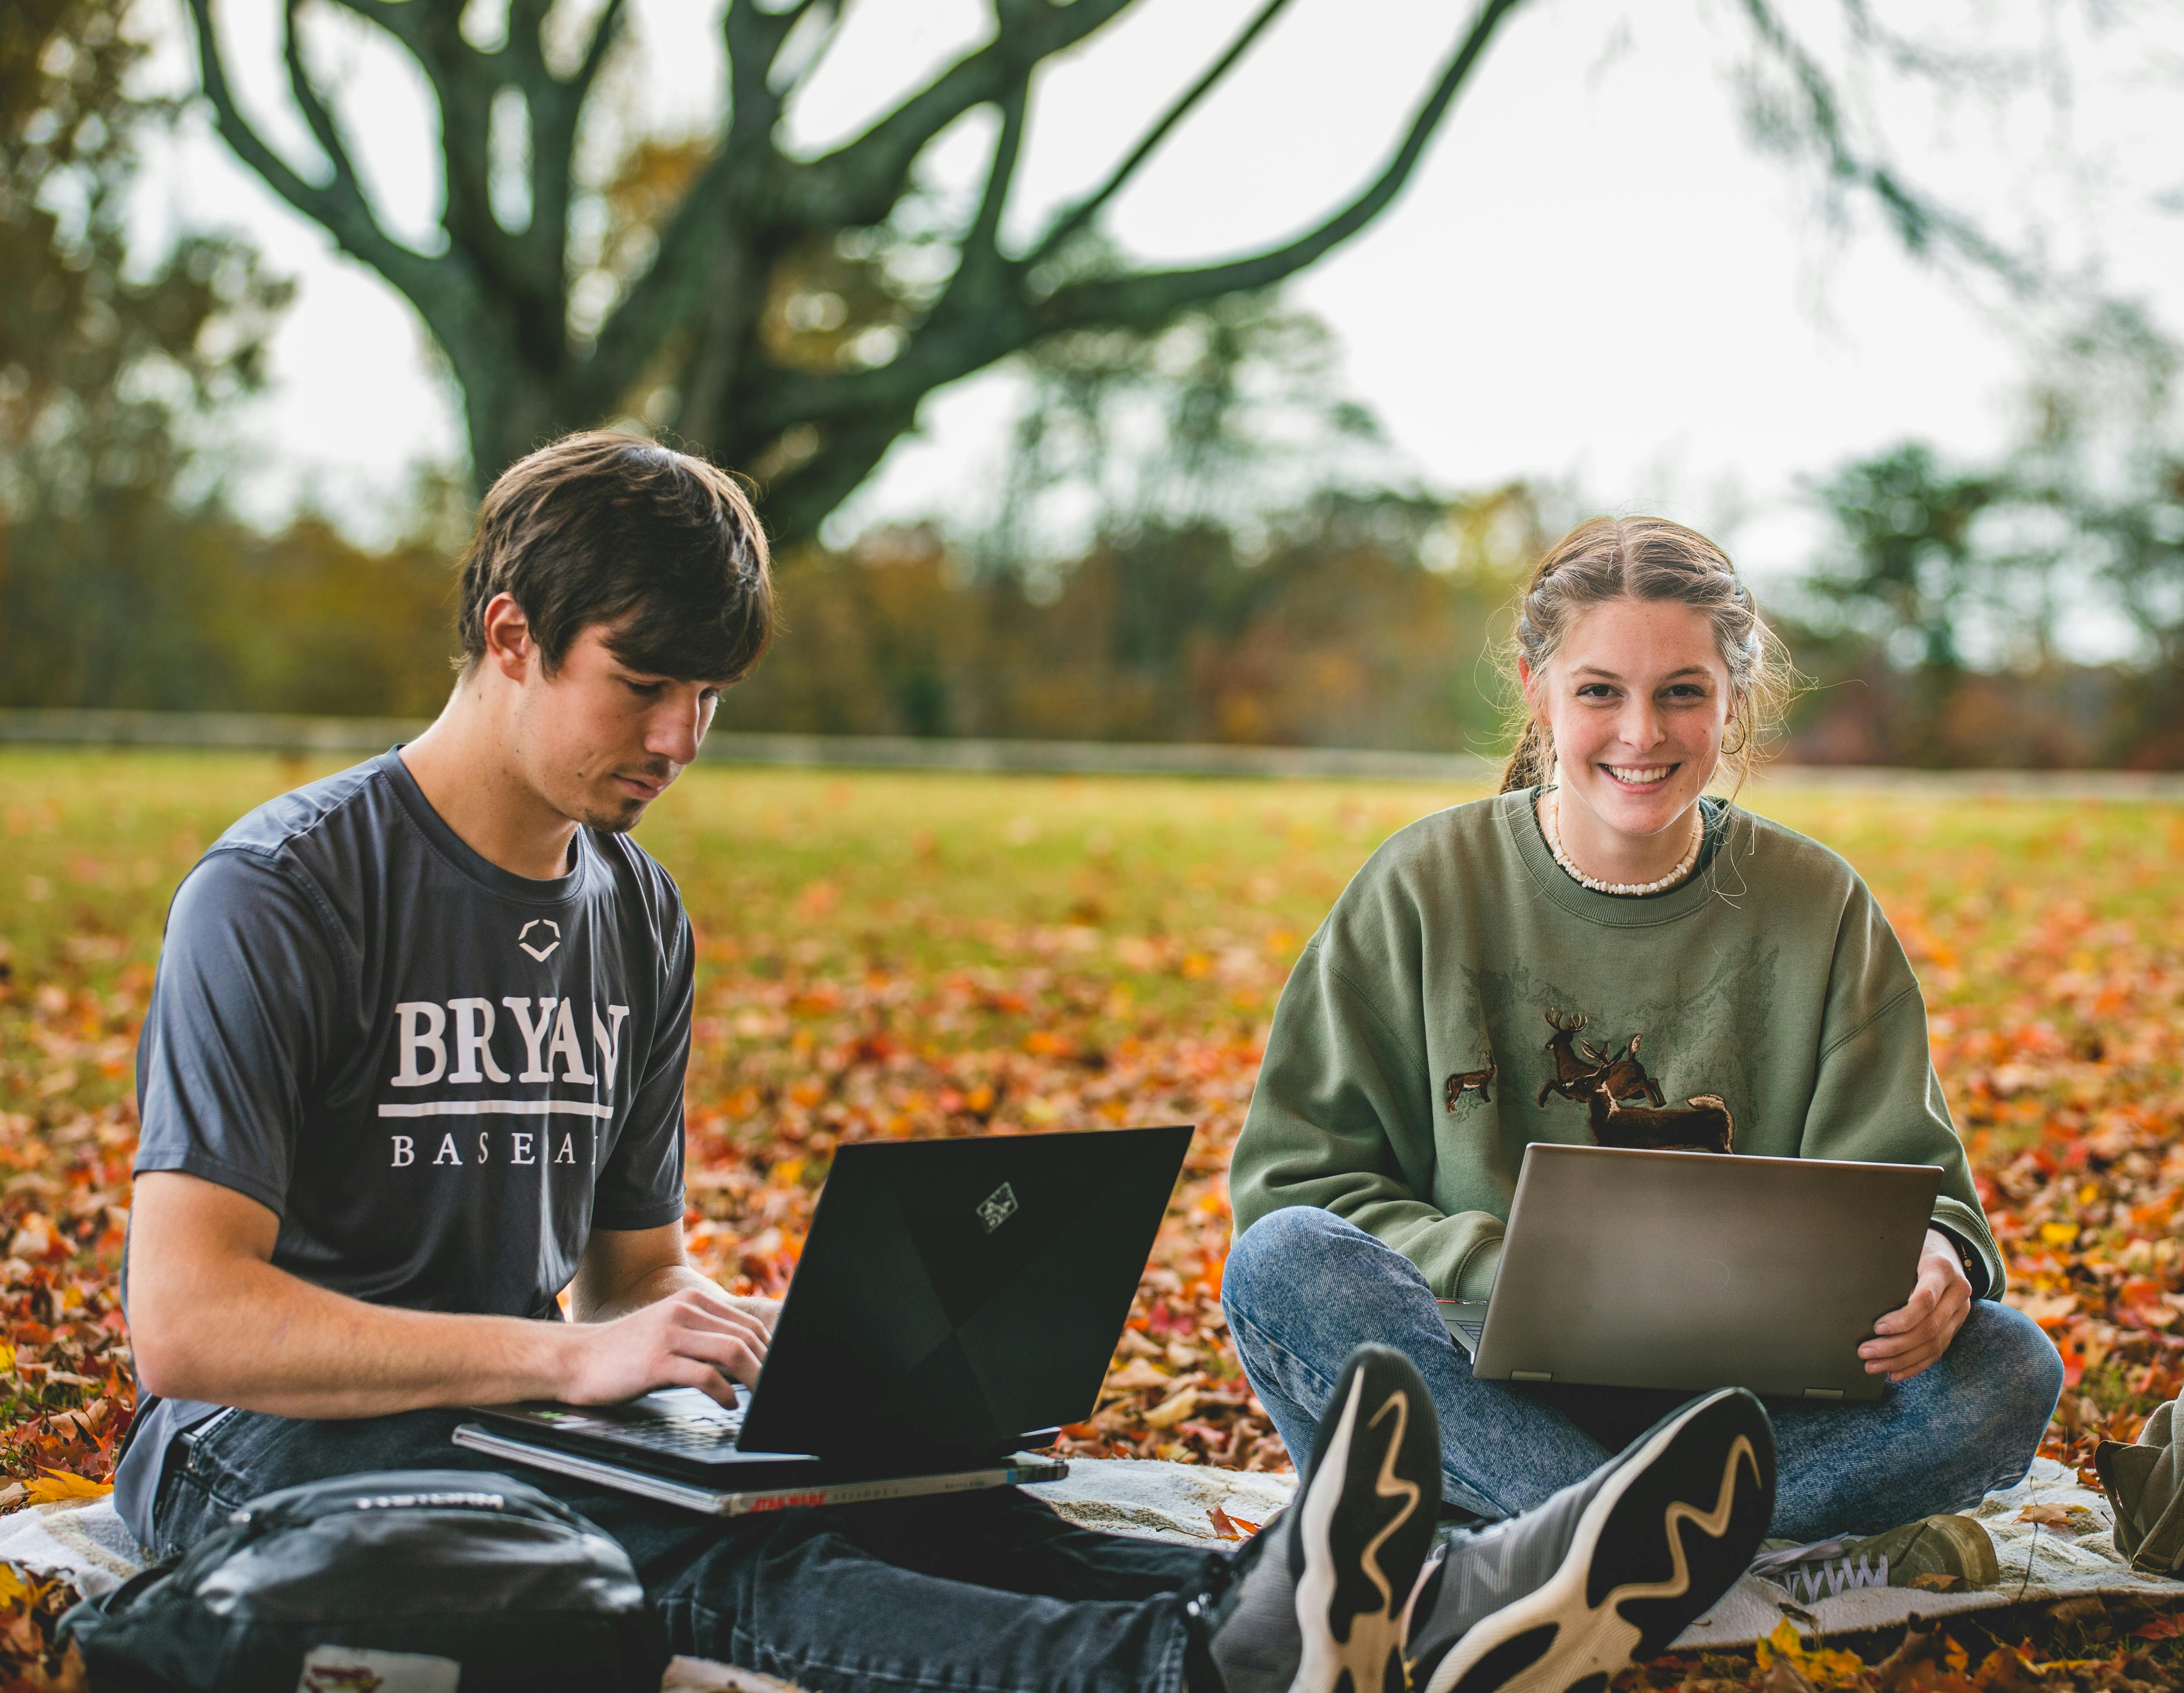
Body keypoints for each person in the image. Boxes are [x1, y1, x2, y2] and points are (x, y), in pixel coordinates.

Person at [113, 438, 1775, 1693]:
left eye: (711, 696)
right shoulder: (285, 893)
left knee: (879, 1497)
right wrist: (565, 1369)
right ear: (511, 634)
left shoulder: (634, 913)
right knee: (689, 1539)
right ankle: (1213, 1668)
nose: (683, 740)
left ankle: (1409, 1610)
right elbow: (190, 1327)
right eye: (647, 685)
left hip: (512, 1421)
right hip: (256, 1446)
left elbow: (634, 1282)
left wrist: (771, 1358)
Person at [1221, 516, 2065, 1591]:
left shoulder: (1821, 907)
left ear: (1731, 701)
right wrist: (1503, 1266)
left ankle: (1546, 1550)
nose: (1640, 732)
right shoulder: (1422, 886)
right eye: (1598, 691)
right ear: (1537, 689)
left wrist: (1940, 1263)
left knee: (2007, 1366)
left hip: (1744, 1400)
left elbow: (1921, 1194)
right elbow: (1297, 1187)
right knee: (1281, 1263)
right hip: (1479, 1377)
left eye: (1681, 691)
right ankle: (1710, 1551)